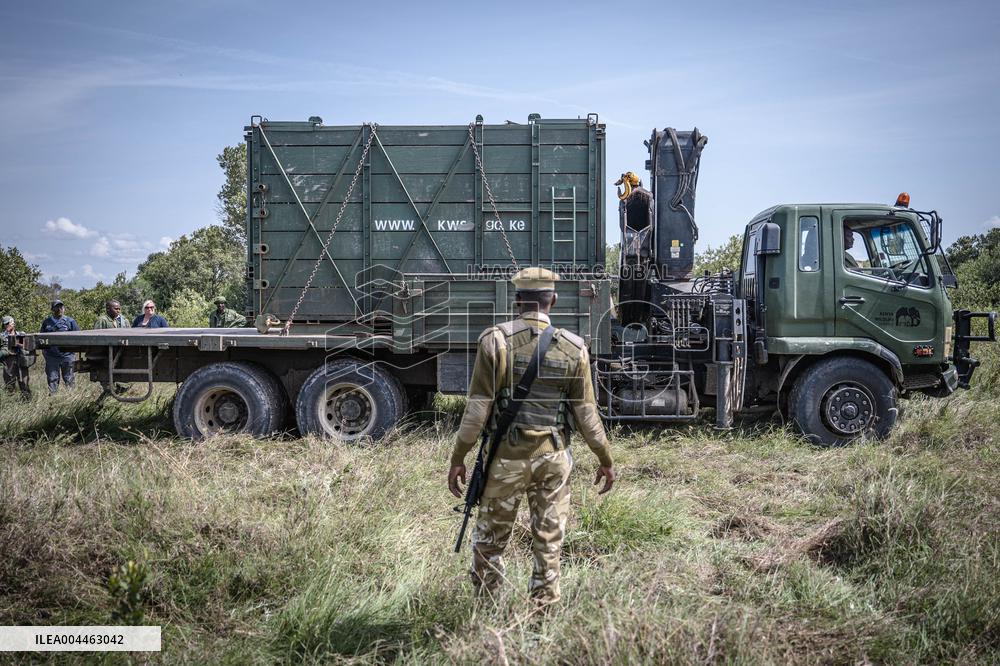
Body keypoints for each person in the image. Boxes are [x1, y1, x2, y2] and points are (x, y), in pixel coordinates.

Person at [447, 266, 615, 606]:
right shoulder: (575, 347)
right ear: (552, 300)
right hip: (554, 459)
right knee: (549, 541)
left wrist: (458, 458)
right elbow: (586, 415)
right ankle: (542, 614)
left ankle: (487, 611)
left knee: (490, 541)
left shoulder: (494, 341)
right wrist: (605, 459)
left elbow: (477, 411)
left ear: (517, 301)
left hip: (506, 458)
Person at [40, 300, 79, 394]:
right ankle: (53, 399)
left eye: (61, 307)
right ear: (52, 309)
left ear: (64, 308)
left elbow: (78, 337)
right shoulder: (47, 322)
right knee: (52, 378)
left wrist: (73, 353)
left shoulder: (70, 321)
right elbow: (41, 339)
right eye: (57, 307)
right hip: (51, 356)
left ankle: (71, 397)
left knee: (69, 378)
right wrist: (45, 353)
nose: (59, 309)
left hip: (67, 356)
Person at [1, 315, 31, 400]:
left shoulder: (21, 334)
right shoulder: (2, 336)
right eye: (5, 324)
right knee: (9, 383)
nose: (7, 325)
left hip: (21, 360)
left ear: (13, 323)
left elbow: (27, 346)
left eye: (8, 323)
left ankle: (27, 402)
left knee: (24, 383)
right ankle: (10, 403)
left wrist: (19, 344)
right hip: (8, 362)